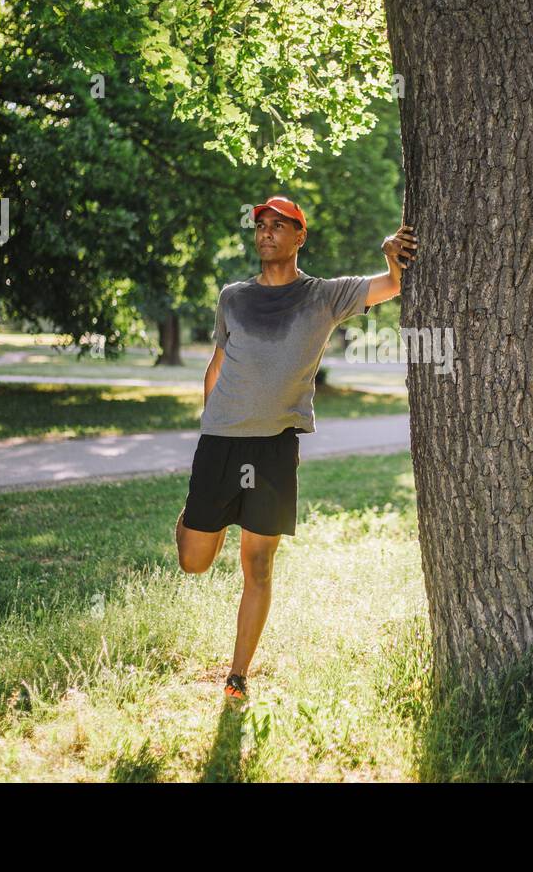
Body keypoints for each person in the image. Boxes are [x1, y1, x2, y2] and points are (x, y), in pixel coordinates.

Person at [174, 196, 417, 703]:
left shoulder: (323, 296)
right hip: (220, 443)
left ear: (299, 236)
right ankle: (199, 514)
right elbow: (216, 365)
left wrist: (391, 253)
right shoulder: (233, 297)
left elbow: (390, 284)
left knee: (258, 566)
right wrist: (208, 427)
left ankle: (237, 676)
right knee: (195, 561)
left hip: (275, 450)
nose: (266, 233)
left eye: (278, 225)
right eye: (260, 225)